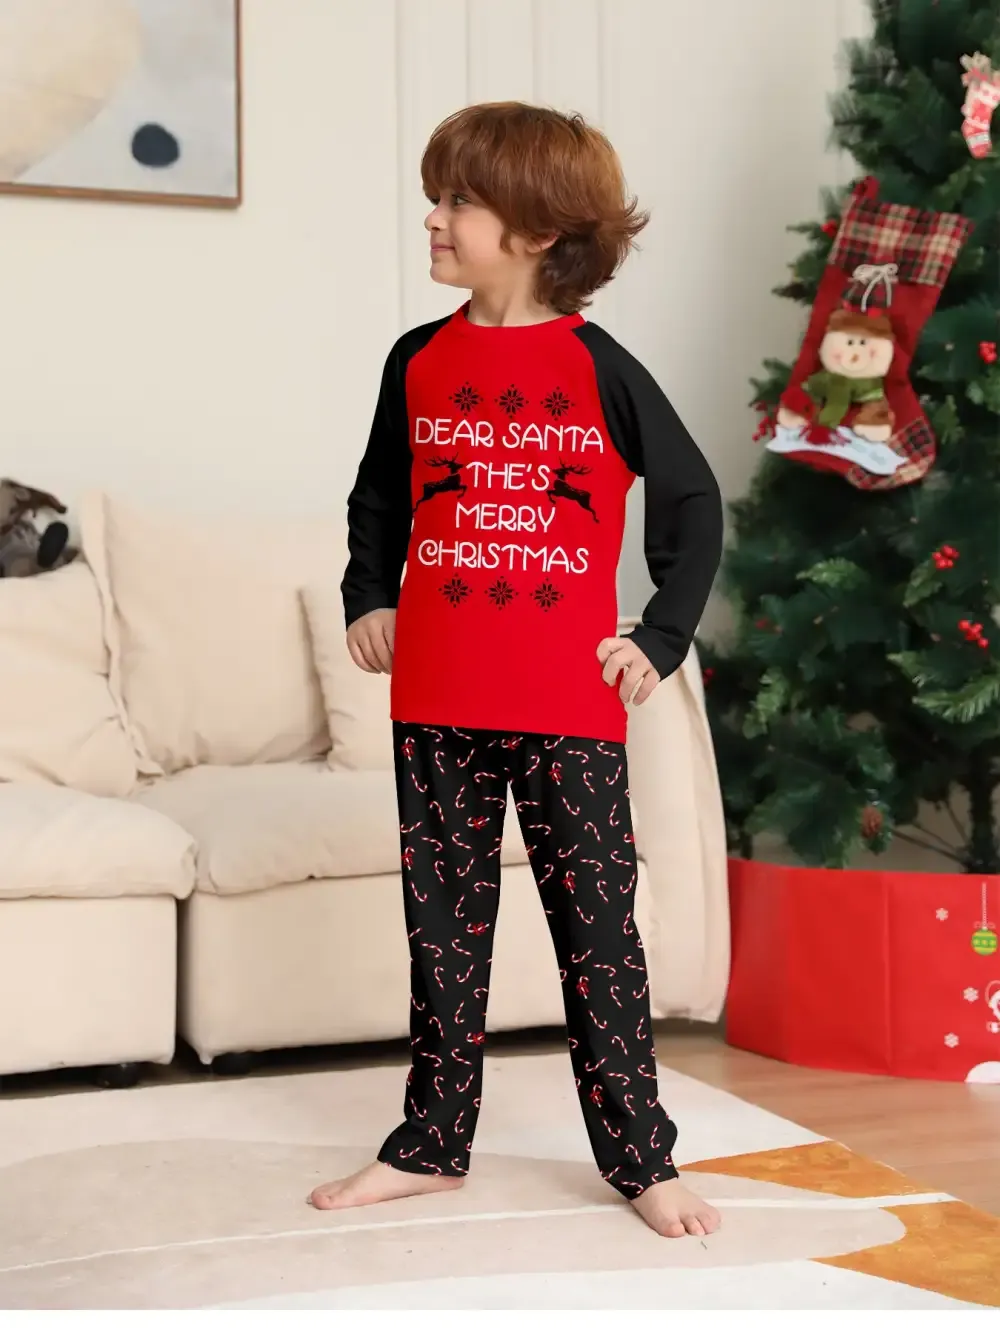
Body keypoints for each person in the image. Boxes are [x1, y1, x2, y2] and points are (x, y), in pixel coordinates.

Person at [310, 102, 724, 1240]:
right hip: (437, 697)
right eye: (436, 198)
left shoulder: (600, 367)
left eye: (459, 201)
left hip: (565, 707)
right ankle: (430, 1143)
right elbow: (378, 495)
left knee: (599, 937)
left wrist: (658, 637)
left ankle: (641, 1158)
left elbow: (693, 500)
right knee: (443, 933)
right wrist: (369, 595)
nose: (434, 219)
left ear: (538, 231)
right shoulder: (418, 359)